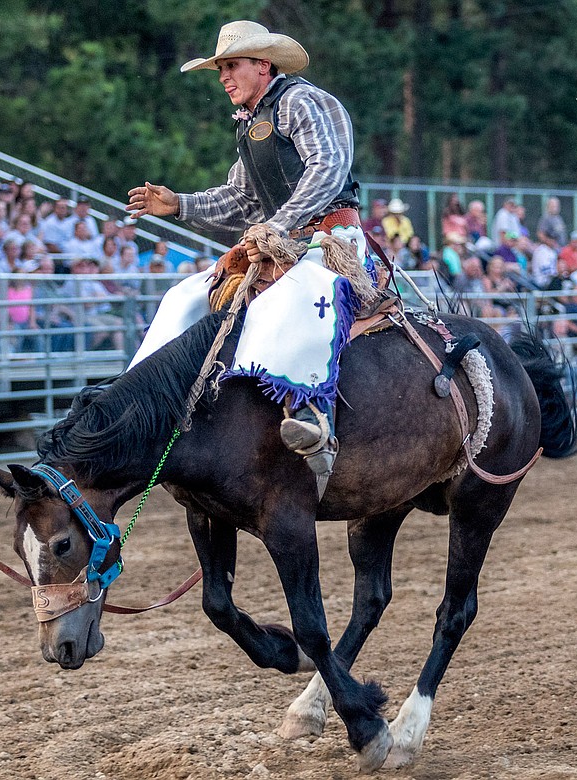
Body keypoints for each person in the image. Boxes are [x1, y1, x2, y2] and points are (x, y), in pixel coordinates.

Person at [124, 20, 371, 494]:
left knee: (300, 297)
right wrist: (178, 204)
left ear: (263, 65)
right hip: (275, 241)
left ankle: (313, 417)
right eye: (220, 69)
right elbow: (240, 199)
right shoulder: (252, 124)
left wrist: (274, 227)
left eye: (231, 66)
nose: (223, 77)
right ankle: (141, 401)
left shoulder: (302, 101)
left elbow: (327, 169)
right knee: (186, 296)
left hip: (330, 238)